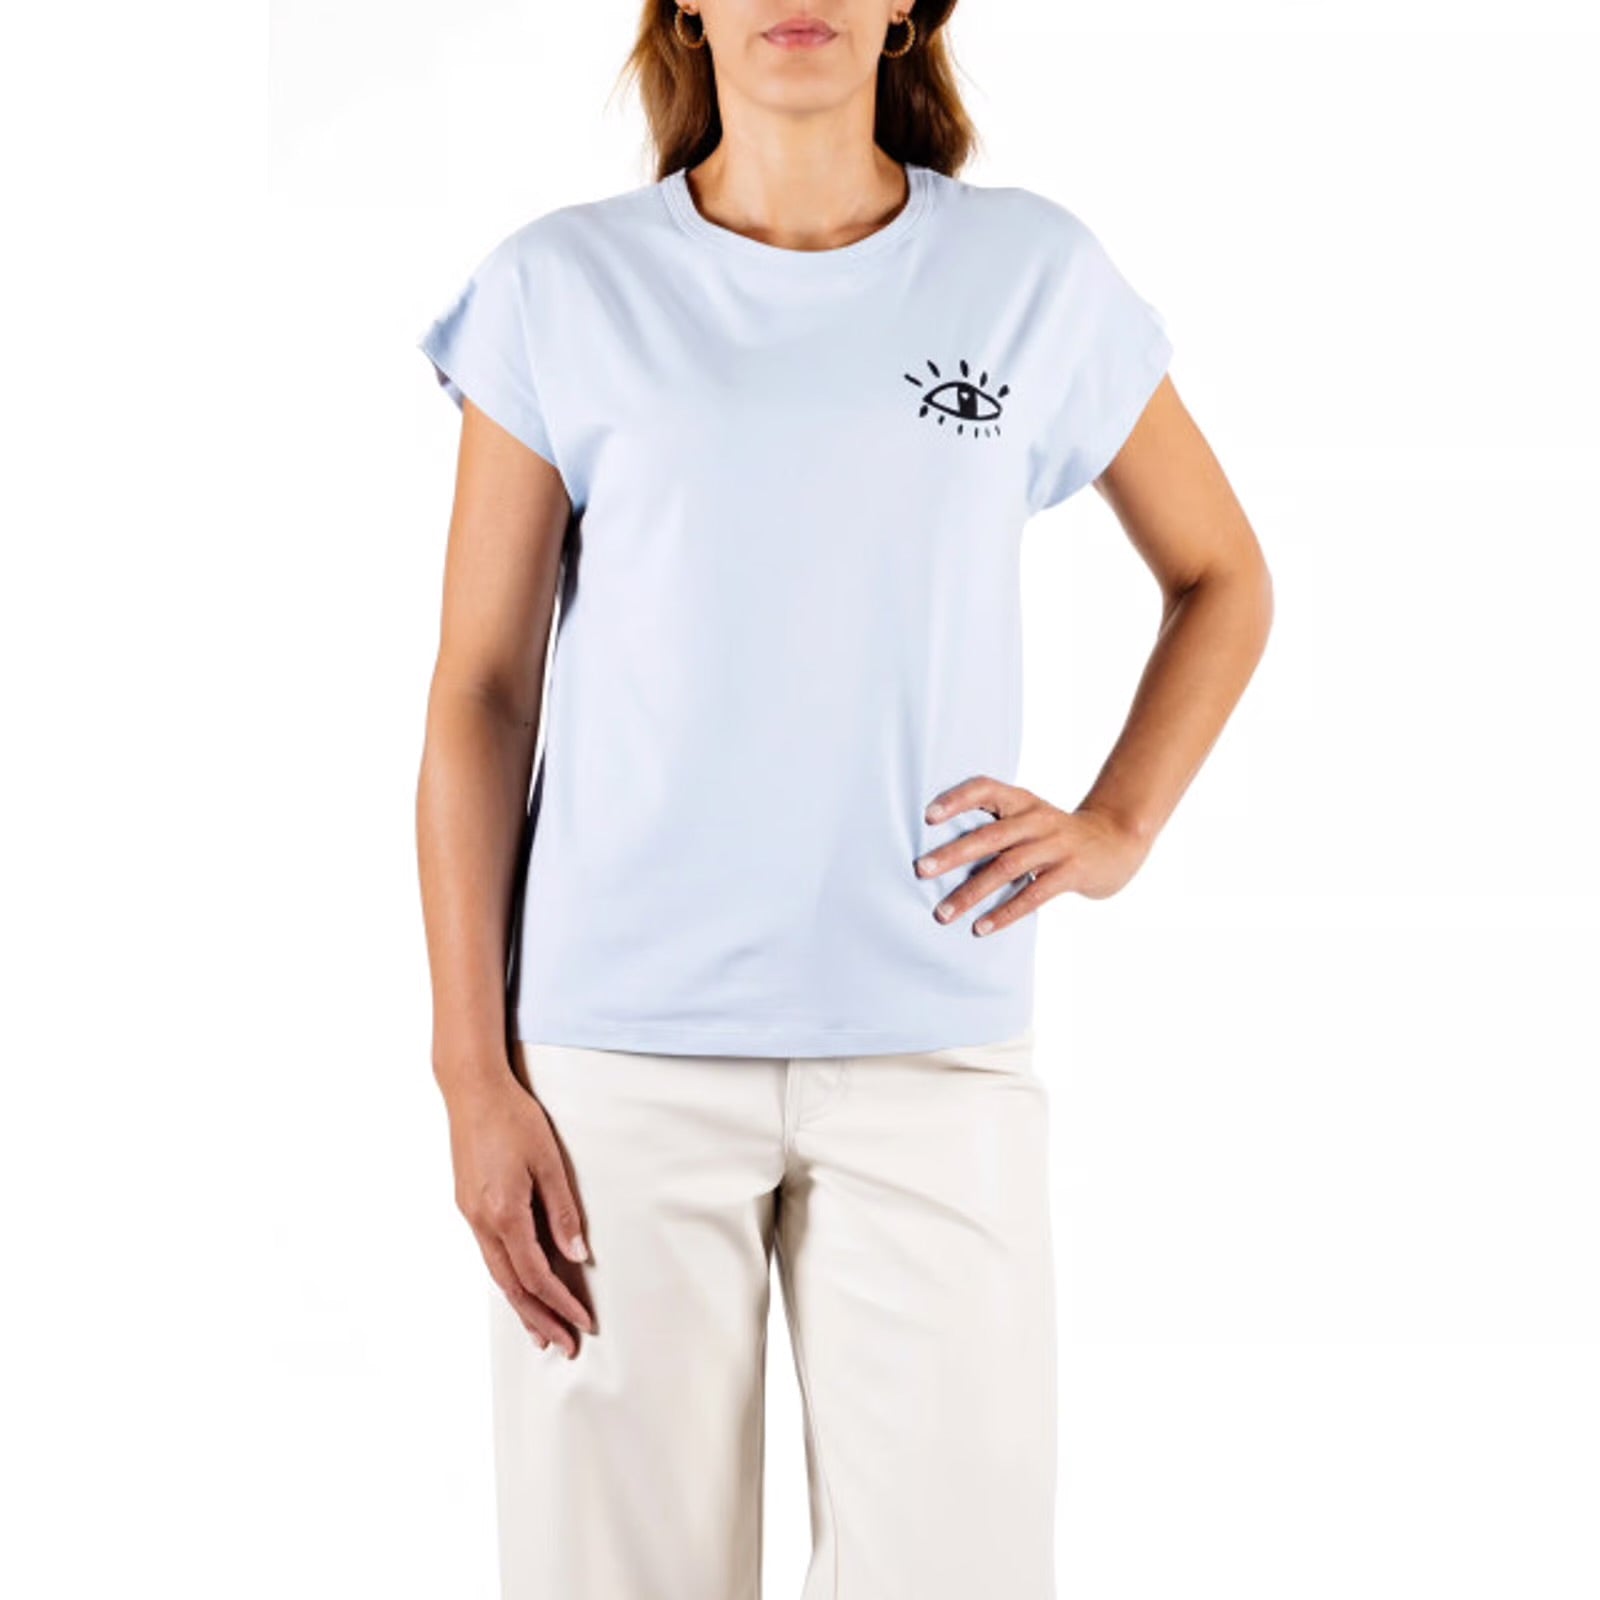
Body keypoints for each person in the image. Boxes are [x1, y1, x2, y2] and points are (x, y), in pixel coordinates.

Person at [414, 3, 1272, 1595]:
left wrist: (1119, 827)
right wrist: (474, 1075)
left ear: (907, 8)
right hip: (616, 1069)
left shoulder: (1028, 275)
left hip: (934, 1048)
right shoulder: (560, 288)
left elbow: (1221, 574)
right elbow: (483, 695)